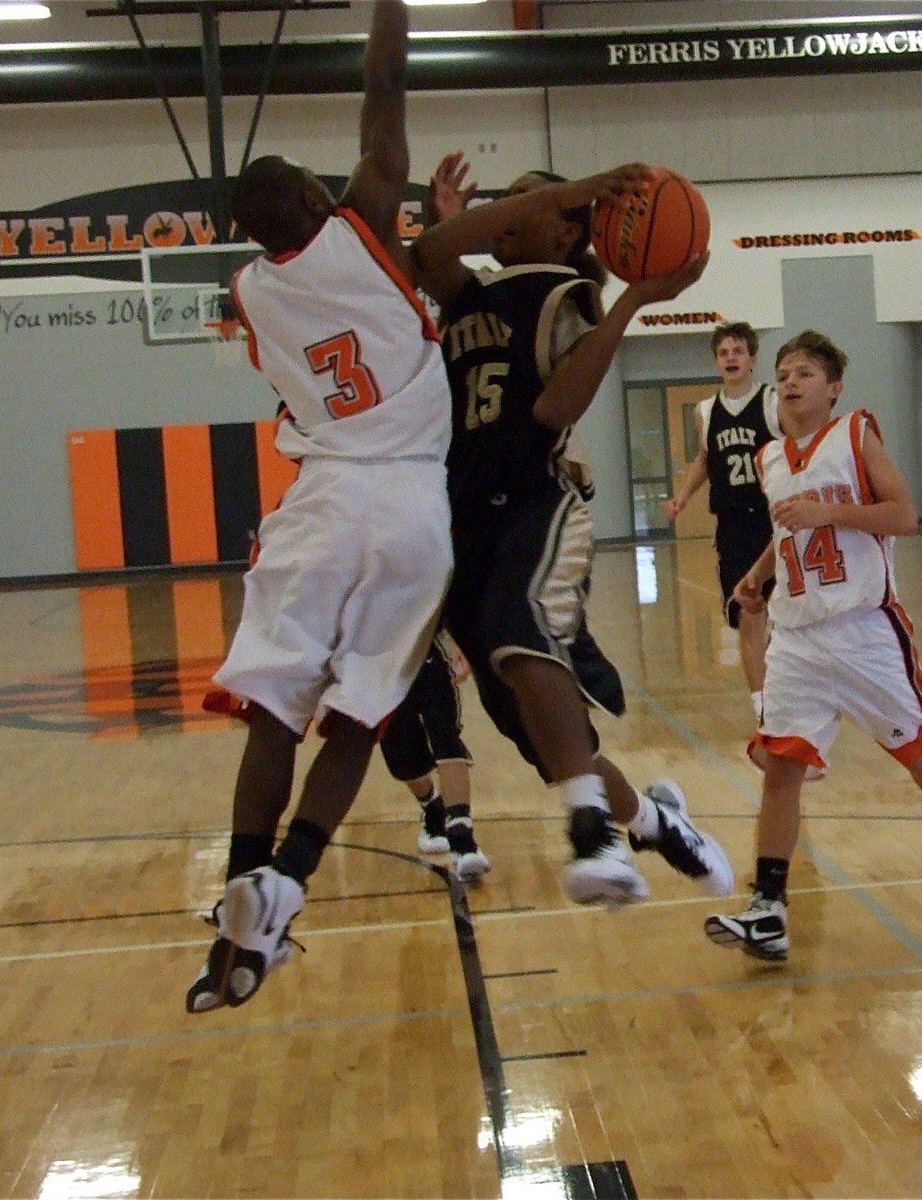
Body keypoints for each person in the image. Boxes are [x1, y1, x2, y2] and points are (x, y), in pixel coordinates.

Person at [186, 0, 453, 1013]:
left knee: (271, 713)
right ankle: (289, 877)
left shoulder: (246, 292)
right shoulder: (364, 224)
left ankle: (239, 921)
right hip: (407, 511)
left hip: (317, 504)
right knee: (358, 716)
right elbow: (383, 94)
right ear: (313, 192)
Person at [411, 155, 734, 908]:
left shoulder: (569, 294)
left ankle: (594, 839)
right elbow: (425, 255)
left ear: (564, 228)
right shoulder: (468, 291)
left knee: (513, 624)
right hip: (462, 514)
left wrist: (635, 302)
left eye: (532, 200)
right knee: (547, 739)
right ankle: (656, 823)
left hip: (536, 496)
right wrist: (453, 218)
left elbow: (555, 410)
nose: (511, 207)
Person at [704, 330, 922, 963]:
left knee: (911, 745)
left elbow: (903, 516)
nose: (793, 381)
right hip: (797, 635)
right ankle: (768, 907)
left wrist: (829, 515)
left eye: (805, 372)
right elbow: (790, 531)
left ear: (833, 387)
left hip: (863, 629)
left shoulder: (855, 434)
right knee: (781, 765)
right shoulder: (771, 458)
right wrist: (759, 573)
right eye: (785, 373)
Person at [662, 321, 782, 726]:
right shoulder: (706, 411)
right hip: (732, 526)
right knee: (749, 615)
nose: (731, 357)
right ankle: (763, 706)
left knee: (786, 618)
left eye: (738, 351)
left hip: (773, 520)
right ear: (717, 362)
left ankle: (791, 692)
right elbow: (705, 459)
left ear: (752, 359)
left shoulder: (771, 402)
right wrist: (683, 496)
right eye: (724, 352)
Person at [379, 630, 490, 882]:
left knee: (446, 738)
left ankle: (463, 840)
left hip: (431, 648)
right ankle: (431, 805)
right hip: (380, 661)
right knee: (404, 760)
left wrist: (464, 643)